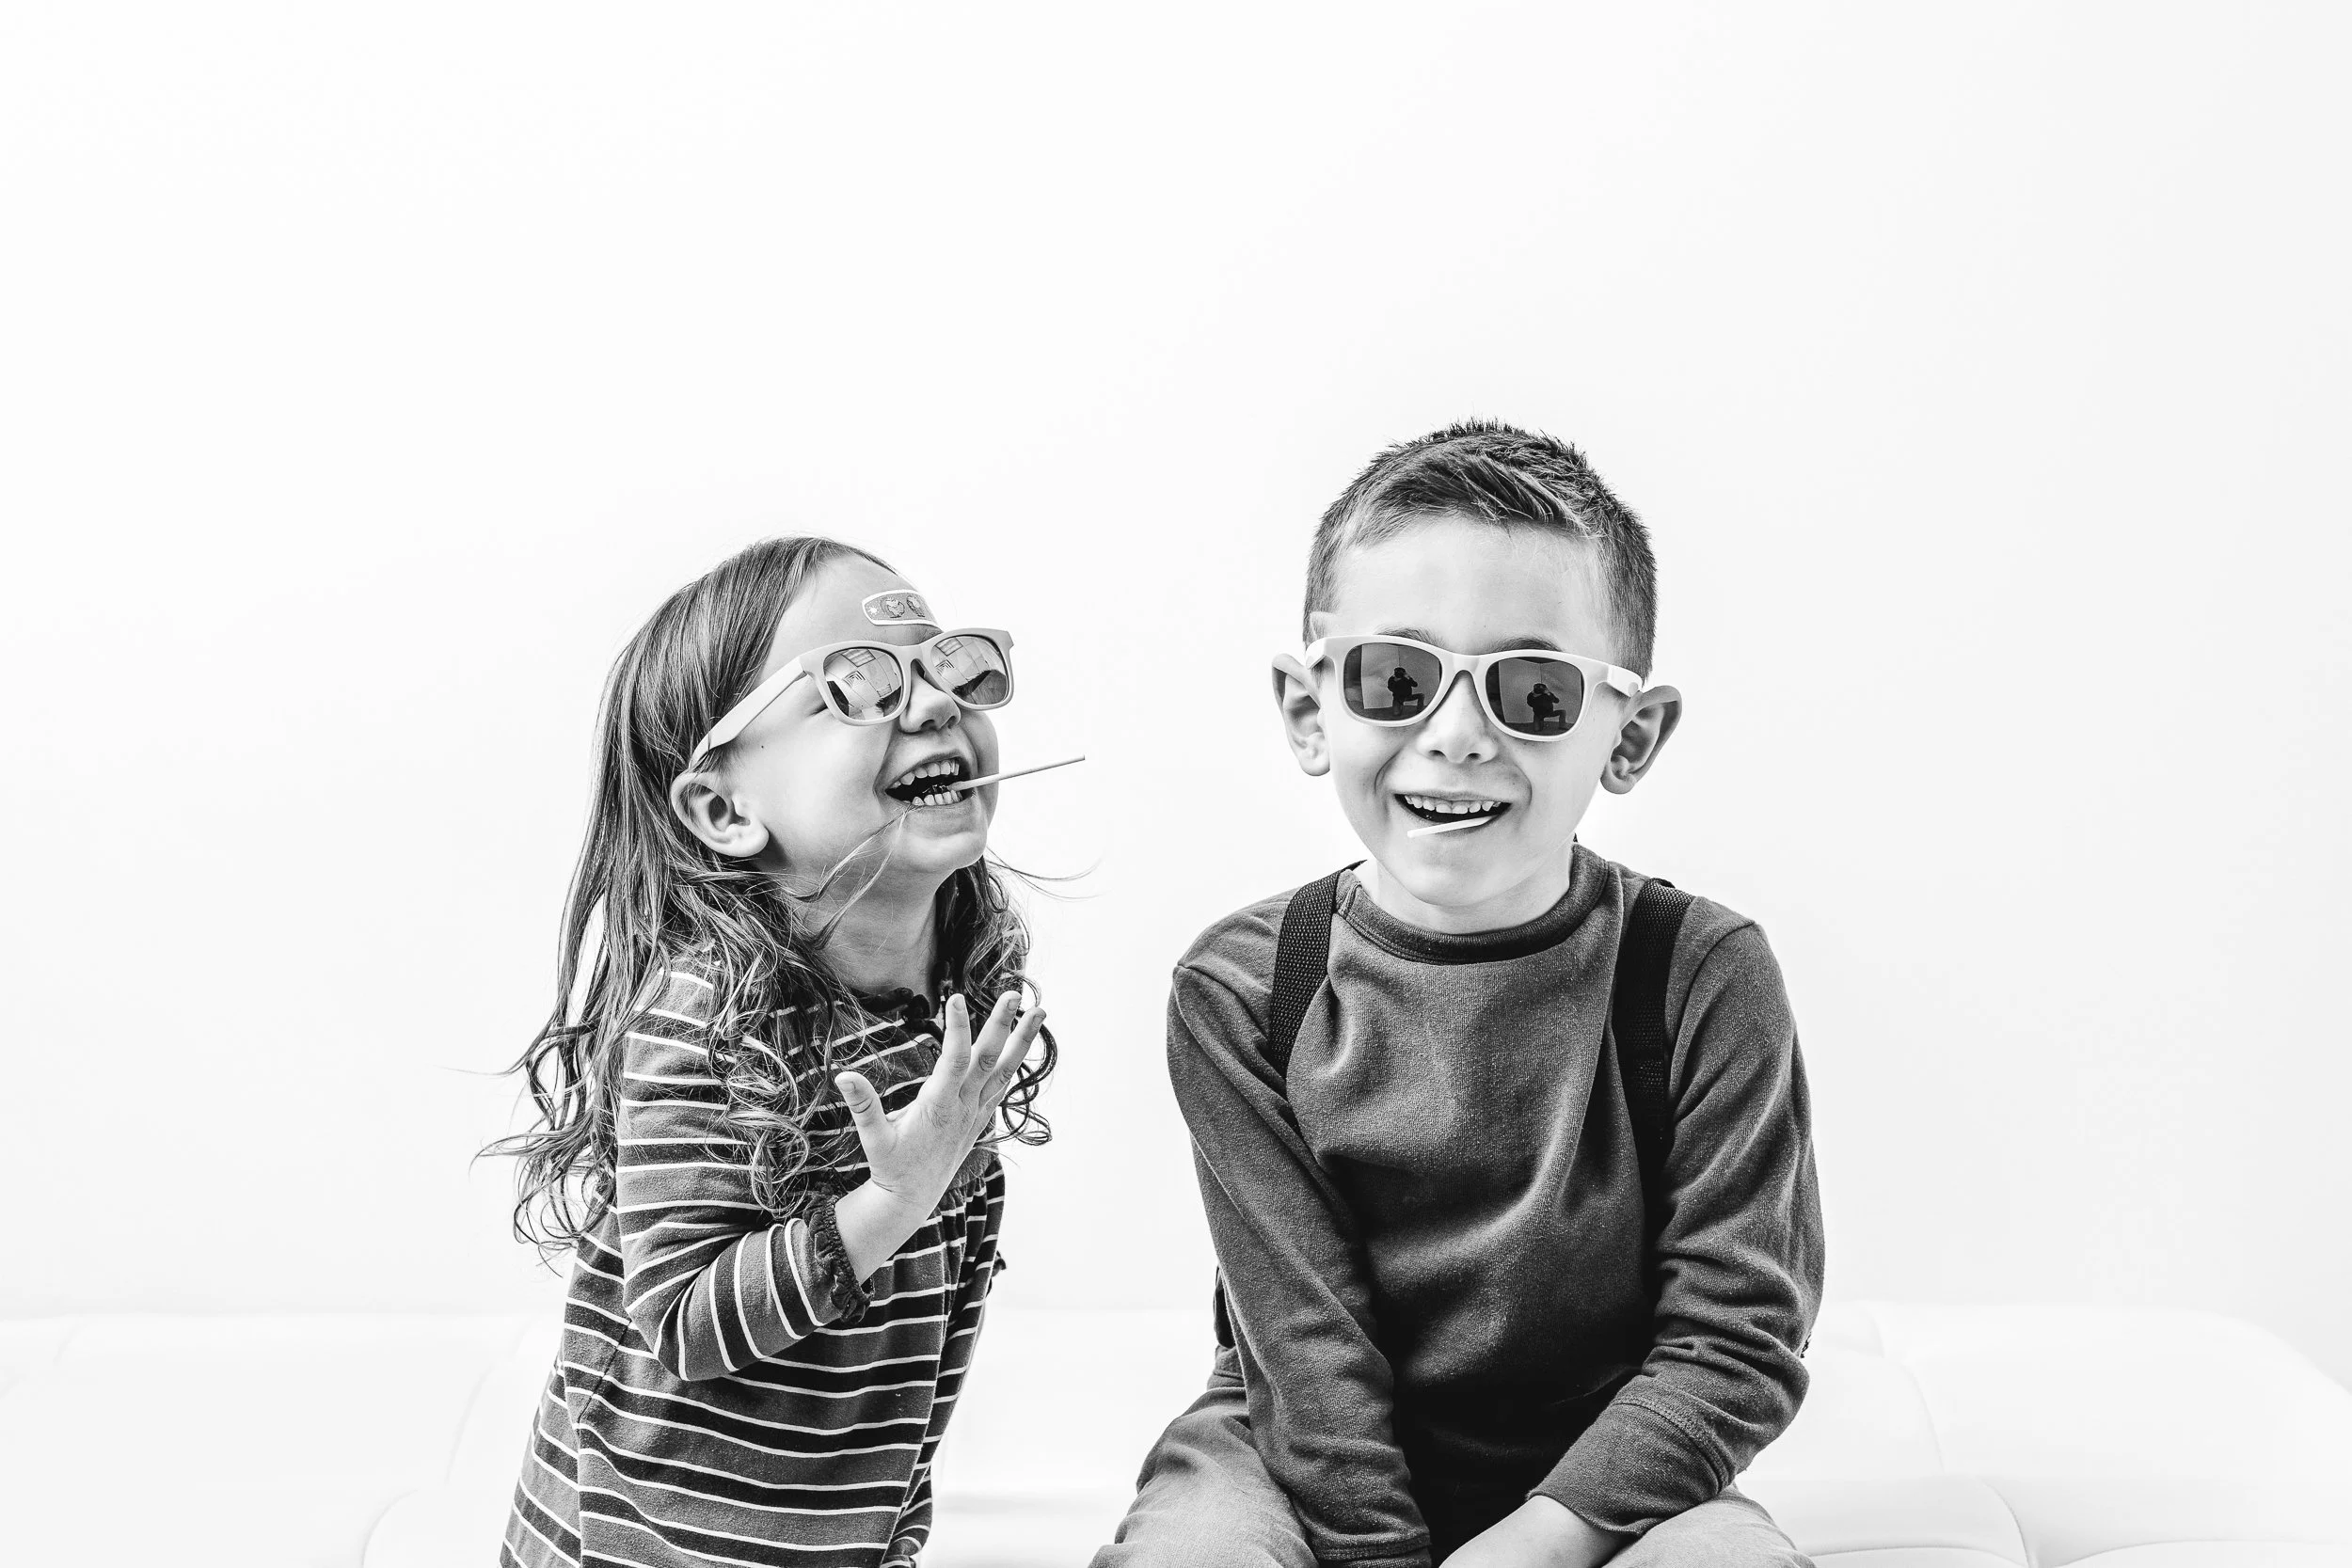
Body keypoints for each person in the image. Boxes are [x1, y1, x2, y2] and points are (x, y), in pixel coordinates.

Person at [1096, 422, 1822, 1568]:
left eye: (1533, 691)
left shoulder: (1702, 974)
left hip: (1601, 1479)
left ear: (1629, 735)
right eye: (1397, 678)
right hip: (1294, 1458)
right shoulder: (1241, 987)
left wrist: (1540, 1541)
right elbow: (1305, 1351)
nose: (1456, 736)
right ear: (1308, 709)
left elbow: (1735, 1339)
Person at [490, 536, 1055, 1568]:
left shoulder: (950, 1002)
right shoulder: (703, 1017)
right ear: (724, 809)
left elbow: (921, 1346)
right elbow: (683, 1323)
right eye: (859, 683)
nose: (936, 704)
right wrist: (891, 1201)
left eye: (949, 665)